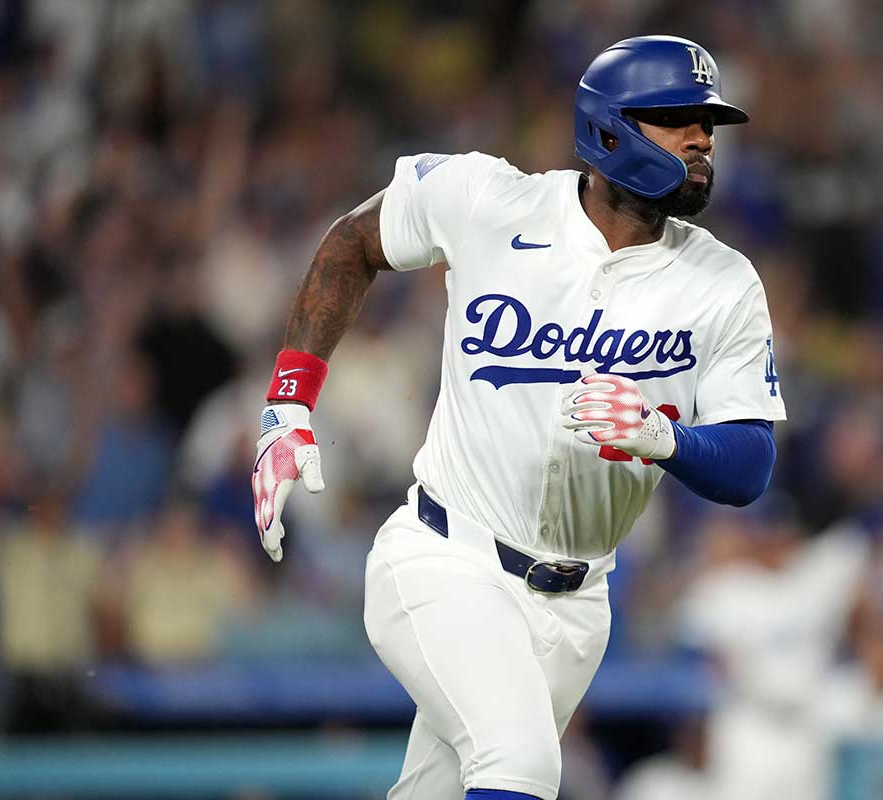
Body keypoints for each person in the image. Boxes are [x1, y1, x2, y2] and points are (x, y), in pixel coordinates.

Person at [250, 35, 786, 800]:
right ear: (608, 131)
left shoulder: (724, 283)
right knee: (520, 765)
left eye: (708, 122)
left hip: (579, 604)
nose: (701, 138)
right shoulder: (490, 200)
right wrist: (288, 401)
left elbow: (750, 466)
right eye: (676, 118)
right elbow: (354, 240)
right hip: (447, 558)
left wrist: (664, 437)